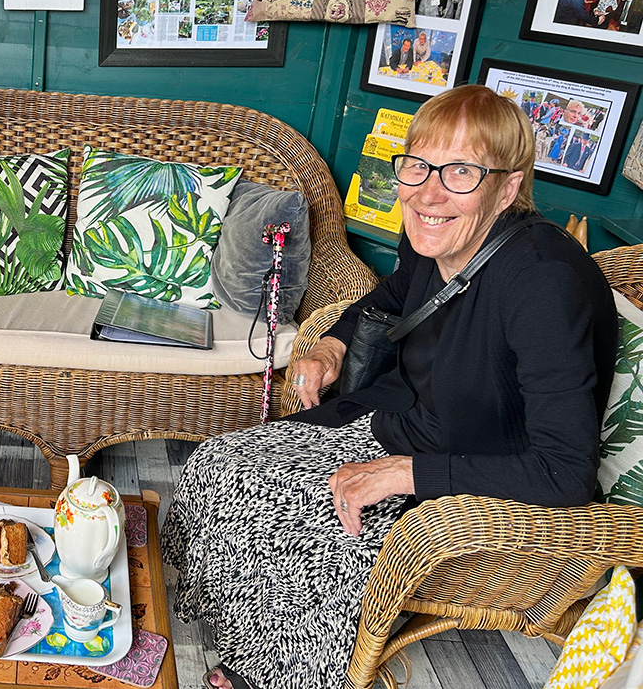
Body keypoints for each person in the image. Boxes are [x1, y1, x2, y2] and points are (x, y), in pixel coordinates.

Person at [162, 84, 617, 689]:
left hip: (470, 474)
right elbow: (393, 296)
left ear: (507, 189)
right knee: (219, 461)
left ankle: (274, 676)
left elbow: (565, 473)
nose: (428, 192)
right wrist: (334, 341)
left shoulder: (543, 287)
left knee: (305, 539)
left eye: (461, 173)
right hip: (398, 419)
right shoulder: (432, 232)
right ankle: (238, 638)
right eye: (418, 165)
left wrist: (402, 473)